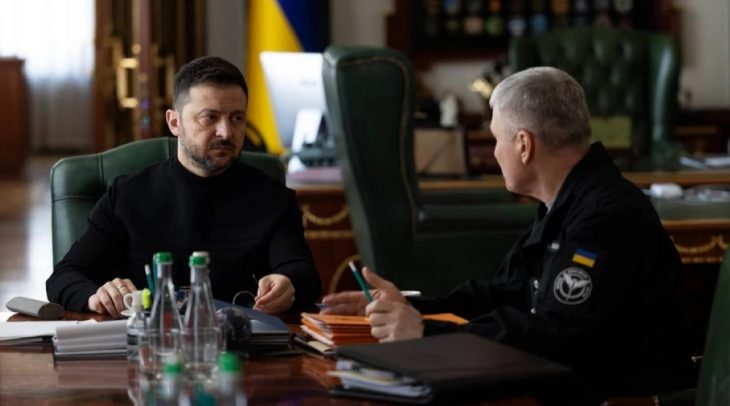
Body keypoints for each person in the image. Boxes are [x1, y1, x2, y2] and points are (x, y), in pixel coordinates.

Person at [321, 67, 695, 400]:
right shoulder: (565, 199)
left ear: (523, 145)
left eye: (497, 139)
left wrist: (424, 333)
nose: (496, 152)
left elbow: (556, 333)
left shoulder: (604, 215)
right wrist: (410, 309)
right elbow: (505, 294)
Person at [47, 56, 321, 317]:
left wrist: (289, 284)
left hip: (241, 344)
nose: (226, 132)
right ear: (174, 122)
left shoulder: (272, 197)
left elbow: (303, 274)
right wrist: (96, 296)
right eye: (210, 117)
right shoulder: (128, 195)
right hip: (147, 343)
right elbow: (64, 277)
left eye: (237, 118)